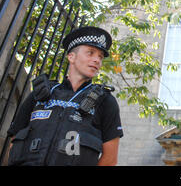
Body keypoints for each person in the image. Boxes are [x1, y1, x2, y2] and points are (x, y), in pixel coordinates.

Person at [7, 26, 123, 166]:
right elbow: (14, 143)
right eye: (90, 53)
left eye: (100, 56)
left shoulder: (106, 101)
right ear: (71, 57)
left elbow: (110, 159)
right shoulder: (40, 94)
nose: (97, 60)